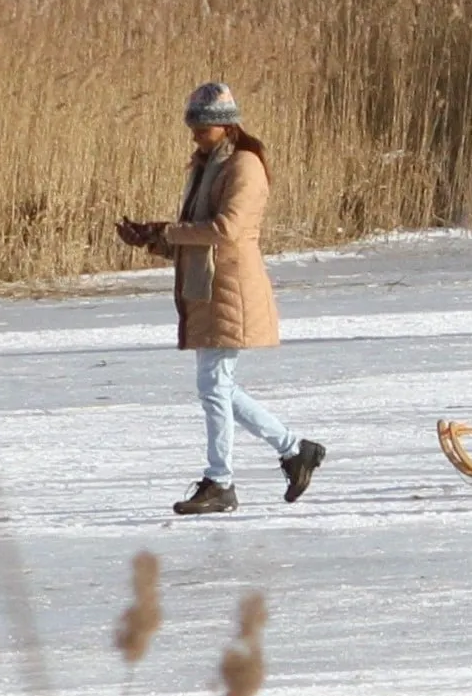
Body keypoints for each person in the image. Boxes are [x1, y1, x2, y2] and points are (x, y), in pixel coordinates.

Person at [116, 82, 326, 514]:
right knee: (219, 387)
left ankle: (220, 481)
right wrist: (153, 238)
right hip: (207, 289)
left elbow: (226, 230)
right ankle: (293, 449)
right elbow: (196, 235)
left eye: (202, 127)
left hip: (231, 289)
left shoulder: (244, 165)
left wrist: (167, 230)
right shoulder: (206, 165)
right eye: (192, 126)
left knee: (214, 385)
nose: (194, 134)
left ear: (225, 125)